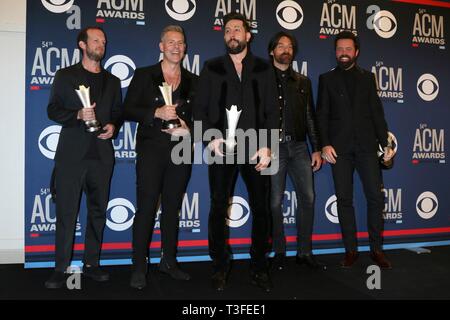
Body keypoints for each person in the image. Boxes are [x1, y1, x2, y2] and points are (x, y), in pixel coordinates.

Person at [194, 13, 278, 292]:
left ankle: (259, 266)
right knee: (218, 207)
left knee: (261, 209)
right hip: (221, 148)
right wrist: (209, 138)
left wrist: (268, 145)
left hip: (257, 148)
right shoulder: (212, 67)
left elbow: (271, 111)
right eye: (227, 30)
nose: (232, 34)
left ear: (248, 35)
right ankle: (219, 266)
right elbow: (200, 109)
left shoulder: (265, 69)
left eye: (237, 30)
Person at [45, 26, 122, 288]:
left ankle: (91, 264)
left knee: (98, 212)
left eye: (104, 40)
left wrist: (113, 126)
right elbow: (52, 110)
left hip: (102, 156)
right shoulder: (65, 76)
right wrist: (77, 115)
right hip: (71, 156)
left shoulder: (112, 81)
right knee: (67, 213)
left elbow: (116, 113)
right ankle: (60, 268)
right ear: (82, 44)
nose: (102, 43)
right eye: (96, 40)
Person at [123, 25, 197, 289]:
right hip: (152, 150)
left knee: (172, 209)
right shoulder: (145, 75)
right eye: (171, 42)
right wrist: (155, 112)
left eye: (180, 43)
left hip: (181, 150)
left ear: (185, 48)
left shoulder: (193, 80)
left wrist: (190, 128)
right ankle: (139, 266)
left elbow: (203, 117)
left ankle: (168, 261)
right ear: (161, 46)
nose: (176, 47)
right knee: (146, 208)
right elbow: (128, 109)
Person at [316, 31, 395, 269]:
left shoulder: (368, 78)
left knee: (374, 197)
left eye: (348, 49)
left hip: (367, 148)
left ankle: (376, 249)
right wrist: (323, 144)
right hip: (339, 150)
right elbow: (322, 116)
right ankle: (350, 250)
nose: (343, 53)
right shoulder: (326, 80)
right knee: (344, 200)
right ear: (336, 51)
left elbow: (377, 114)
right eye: (339, 49)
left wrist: (386, 144)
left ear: (356, 52)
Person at [267, 32, 326, 271]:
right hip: (271, 146)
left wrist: (317, 148)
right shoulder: (260, 80)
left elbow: (310, 116)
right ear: (272, 51)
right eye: (280, 45)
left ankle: (304, 251)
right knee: (273, 201)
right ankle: (279, 250)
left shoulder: (303, 82)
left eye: (289, 46)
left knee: (309, 198)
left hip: (300, 147)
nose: (285, 49)